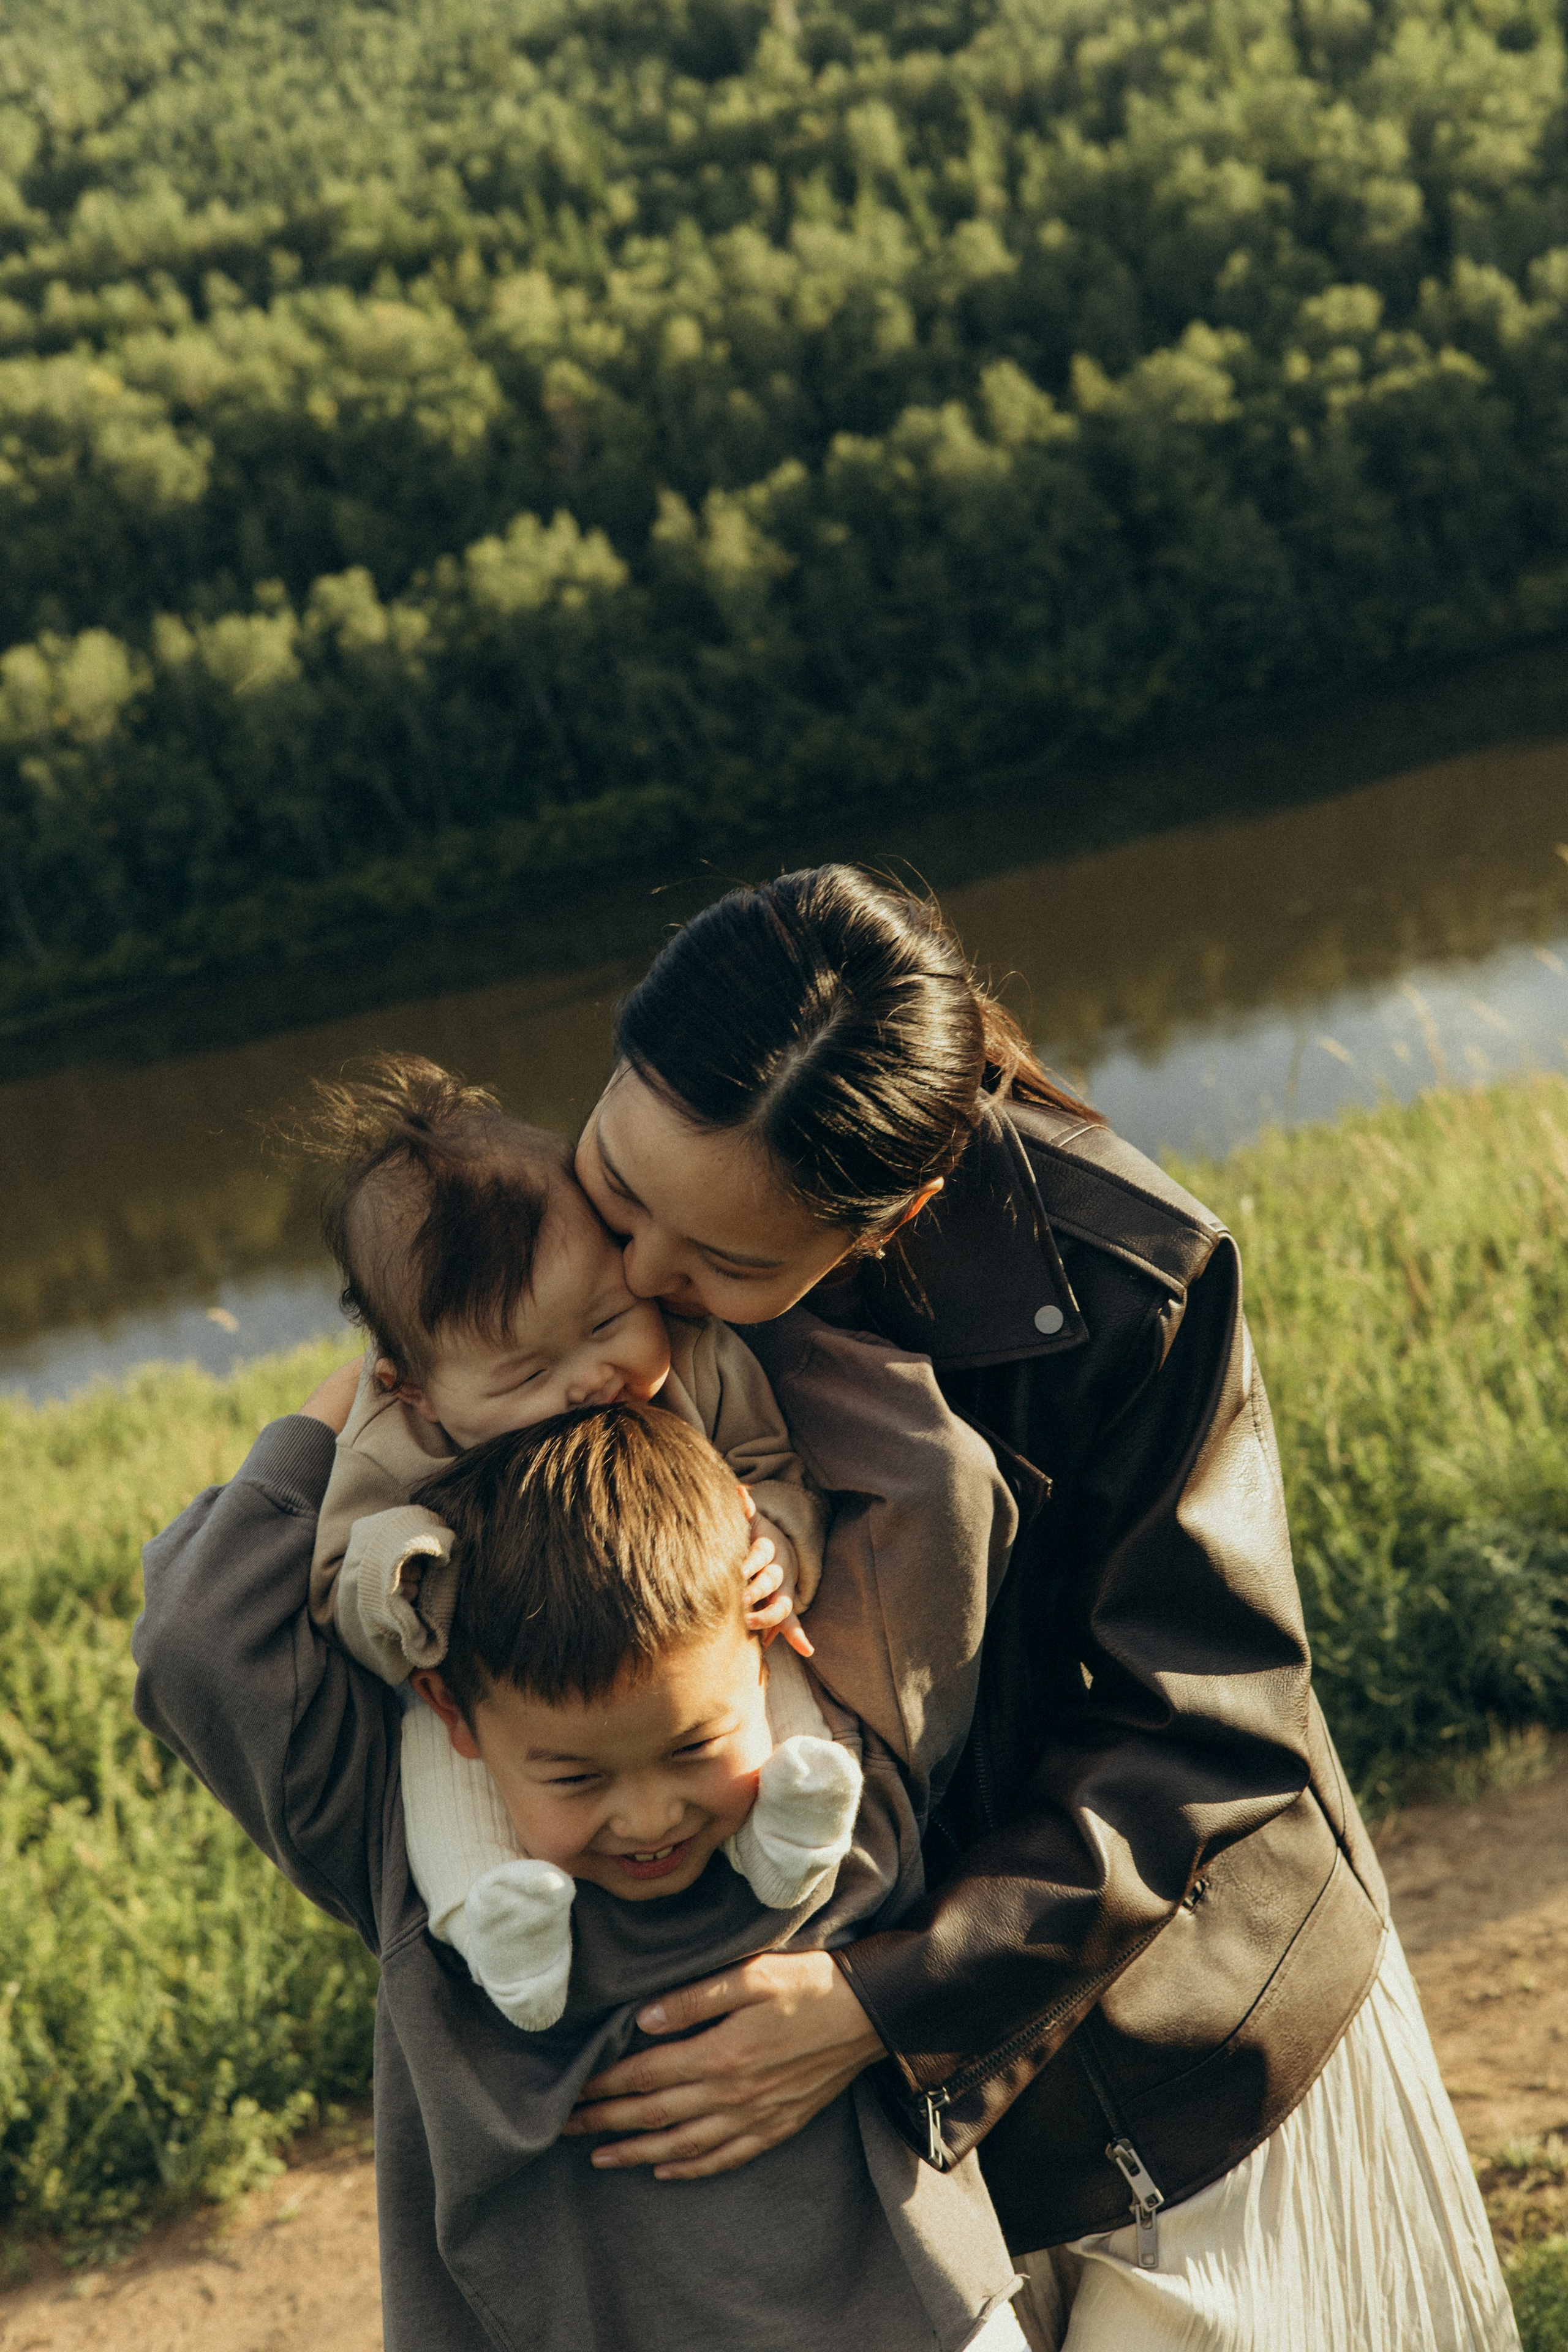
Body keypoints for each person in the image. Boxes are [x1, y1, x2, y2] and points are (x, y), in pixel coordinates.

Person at [549, 864, 1518, 2352]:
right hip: (866, 2074)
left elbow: (1207, 1731)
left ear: (895, 1216)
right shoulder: (539, 1260)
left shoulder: (1130, 1282)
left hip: (1173, 2044)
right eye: (617, 1189)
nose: (632, 1277)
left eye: (726, 1266)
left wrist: (885, 2005)